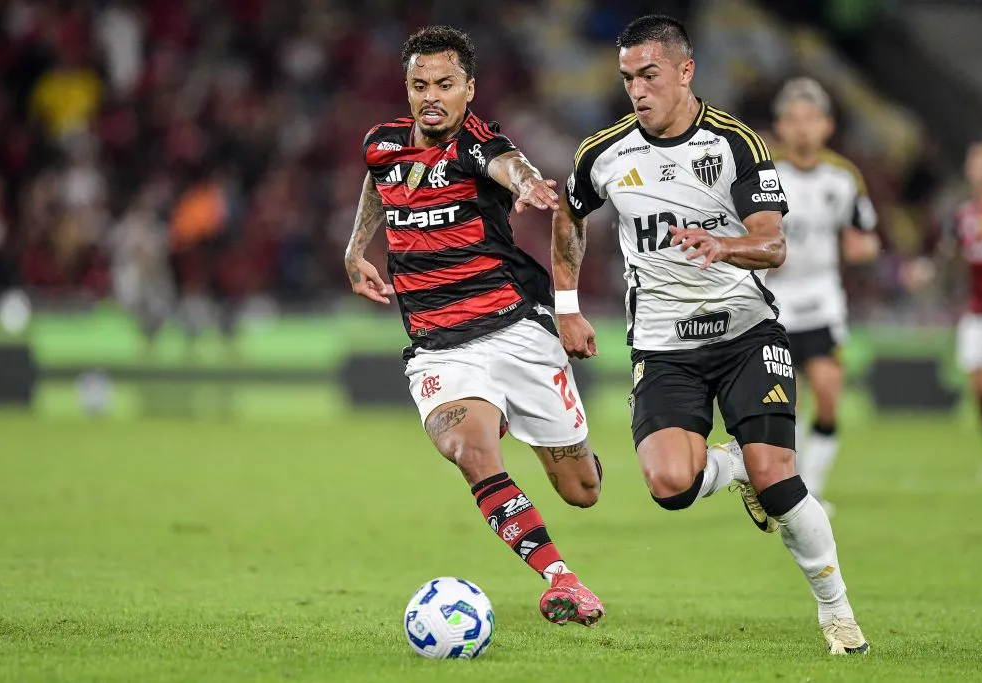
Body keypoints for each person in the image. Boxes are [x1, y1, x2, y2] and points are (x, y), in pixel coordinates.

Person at [551, 15, 868, 654]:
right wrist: (565, 305)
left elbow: (773, 244)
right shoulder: (604, 154)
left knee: (779, 478)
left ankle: (836, 613)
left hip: (747, 334)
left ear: (685, 72)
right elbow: (569, 215)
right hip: (665, 347)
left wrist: (723, 245)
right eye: (627, 79)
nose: (637, 90)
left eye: (650, 75)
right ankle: (731, 466)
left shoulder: (736, 144)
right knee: (669, 486)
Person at [344, 26, 604, 627]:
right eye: (419, 85)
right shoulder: (382, 144)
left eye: (444, 84)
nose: (431, 96)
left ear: (469, 90)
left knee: (580, 489)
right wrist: (356, 249)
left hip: (516, 332)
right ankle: (561, 580)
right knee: (469, 449)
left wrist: (530, 185)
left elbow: (511, 166)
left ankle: (538, 428)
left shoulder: (477, 145)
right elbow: (378, 184)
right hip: (439, 350)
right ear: (406, 89)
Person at [767, 78, 880, 513]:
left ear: (827, 125)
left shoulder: (843, 176)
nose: (802, 129)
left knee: (829, 391)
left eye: (810, 119)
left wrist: (861, 247)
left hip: (822, 294)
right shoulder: (765, 172)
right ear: (780, 125)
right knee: (785, 399)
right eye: (793, 119)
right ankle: (789, 486)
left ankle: (811, 485)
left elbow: (865, 235)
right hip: (775, 297)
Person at [943, 138, 982, 478]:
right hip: (978, 311)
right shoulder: (964, 214)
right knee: (980, 387)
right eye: (978, 163)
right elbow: (948, 256)